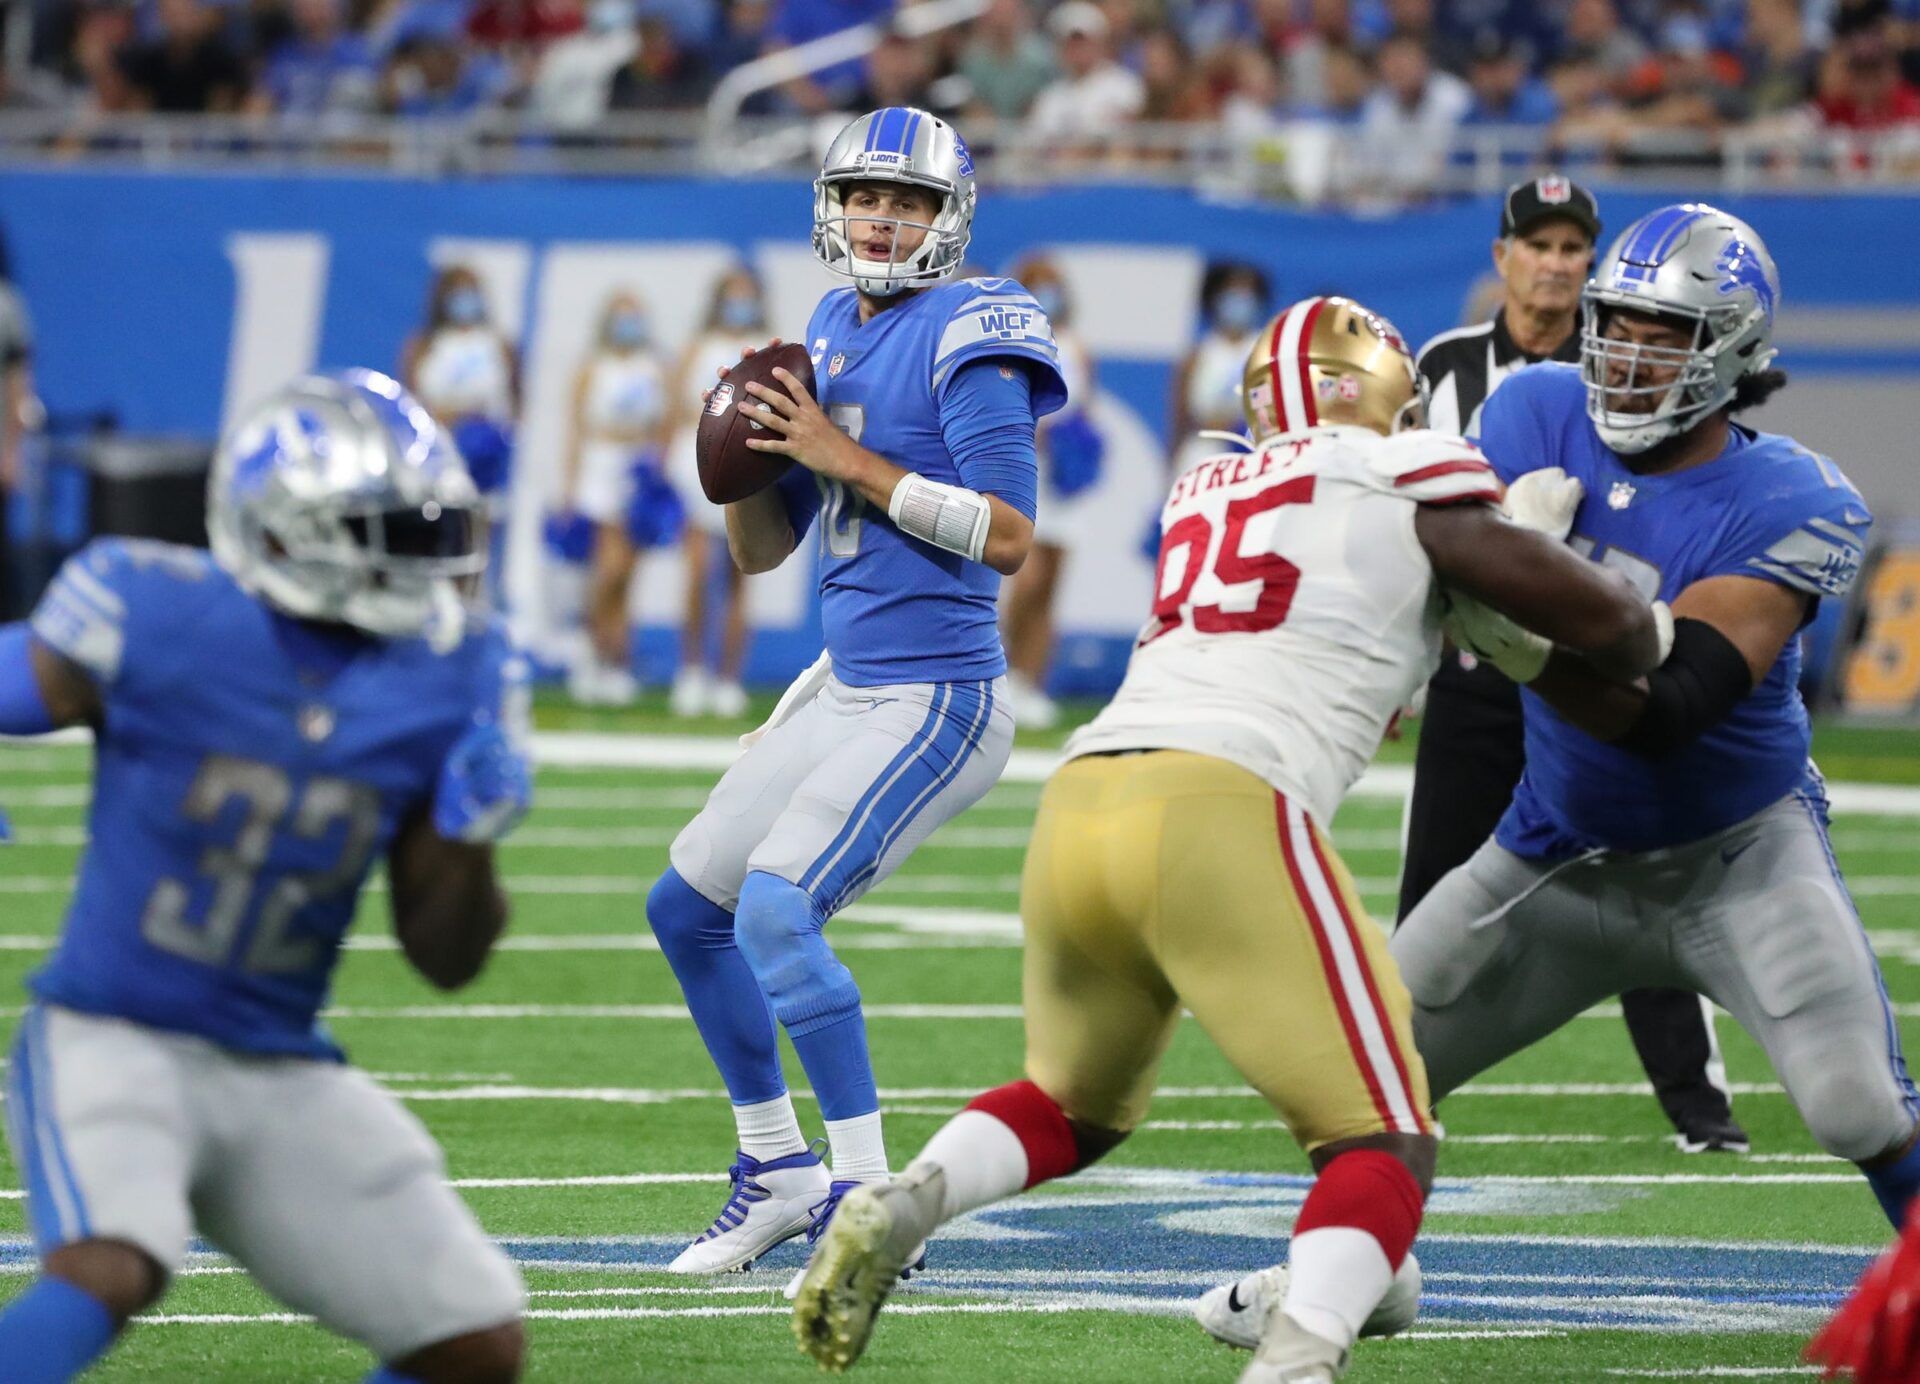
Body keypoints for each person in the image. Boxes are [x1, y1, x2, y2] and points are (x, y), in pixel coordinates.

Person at [789, 295, 1665, 1381]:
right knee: (1384, 1138)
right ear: (1387, 395)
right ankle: (1293, 1363)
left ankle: (910, 1199)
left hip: (1086, 801)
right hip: (1226, 801)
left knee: (1072, 1106)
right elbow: (1619, 633)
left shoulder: (1210, 482)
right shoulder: (1410, 474)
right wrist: (1535, 549)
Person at [1388, 205, 1919, 1232]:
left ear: (1734, 348)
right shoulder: (1535, 410)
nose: (1629, 354)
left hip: (1739, 860)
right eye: (1617, 323)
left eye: (1664, 332)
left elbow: (1671, 710)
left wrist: (1519, 628)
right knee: (1360, 1068)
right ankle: (1343, 1278)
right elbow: (1415, 556)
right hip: (1551, 851)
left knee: (1858, 1106)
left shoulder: (1792, 498)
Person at [0, 369, 532, 1383]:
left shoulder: (450, 677)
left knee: (473, 1340)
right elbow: (17, 678)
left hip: (272, 1062)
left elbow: (446, 958)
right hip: (115, 1034)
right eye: (390, 533)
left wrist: (471, 833)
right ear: (284, 531)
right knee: (114, 1263)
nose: (424, 563)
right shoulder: (153, 612)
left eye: (429, 532)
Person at [642, 105, 1066, 1282]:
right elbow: (762, 556)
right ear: (830, 208)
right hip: (844, 682)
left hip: (940, 694)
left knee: (778, 912)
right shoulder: (827, 320)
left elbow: (1013, 537)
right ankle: (775, 1169)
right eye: (866, 197)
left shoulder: (976, 328)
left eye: (910, 201)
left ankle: (867, 1203)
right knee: (686, 911)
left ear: (949, 218)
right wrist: (740, 461)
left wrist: (842, 455)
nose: (883, 218)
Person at [1406, 176, 1746, 1154]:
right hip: (1477, 664)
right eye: (1539, 245)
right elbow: (1408, 505)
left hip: (1593, 665)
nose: (1556, 264)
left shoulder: (1630, 367)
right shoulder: (1445, 366)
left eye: (1572, 249)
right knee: (1437, 883)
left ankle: (1698, 1101)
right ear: (1502, 257)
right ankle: (1390, 1087)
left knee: (1643, 871)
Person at [662, 267, 772, 719]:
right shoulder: (697, 346)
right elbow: (675, 408)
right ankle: (690, 670)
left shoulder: (768, 346)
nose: (739, 304)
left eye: (747, 295)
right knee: (696, 573)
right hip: (695, 466)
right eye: (732, 295)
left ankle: (729, 677)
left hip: (748, 465)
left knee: (739, 576)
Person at [999, 253, 1102, 732]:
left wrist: (1082, 448)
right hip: (1028, 470)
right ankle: (1001, 674)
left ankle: (1032, 681)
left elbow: (1087, 409)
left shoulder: (1077, 347)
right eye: (1040, 285)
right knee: (1028, 578)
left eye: (1055, 285)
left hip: (1064, 478)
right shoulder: (1012, 345)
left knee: (1052, 585)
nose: (1049, 295)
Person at [558, 288, 674, 705]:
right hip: (600, 467)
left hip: (637, 472)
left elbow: (666, 422)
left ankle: (616, 661)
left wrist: (657, 473)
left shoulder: (655, 367)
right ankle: (593, 651)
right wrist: (569, 488)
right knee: (606, 571)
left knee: (627, 575)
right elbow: (575, 428)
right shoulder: (593, 368)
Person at [401, 266, 521, 601]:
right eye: (458, 292)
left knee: (478, 545)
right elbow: (409, 406)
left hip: (485, 462)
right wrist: (448, 417)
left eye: (472, 290)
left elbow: (516, 403)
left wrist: (493, 434)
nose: (465, 300)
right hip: (440, 459)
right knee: (439, 543)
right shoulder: (422, 347)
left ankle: (472, 614)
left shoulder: (499, 346)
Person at [1169, 261, 1270, 476]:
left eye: (1247, 293)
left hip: (1252, 455)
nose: (1240, 300)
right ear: (1215, 298)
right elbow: (1180, 420)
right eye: (1233, 292)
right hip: (1204, 454)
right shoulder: (1198, 355)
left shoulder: (1267, 352)